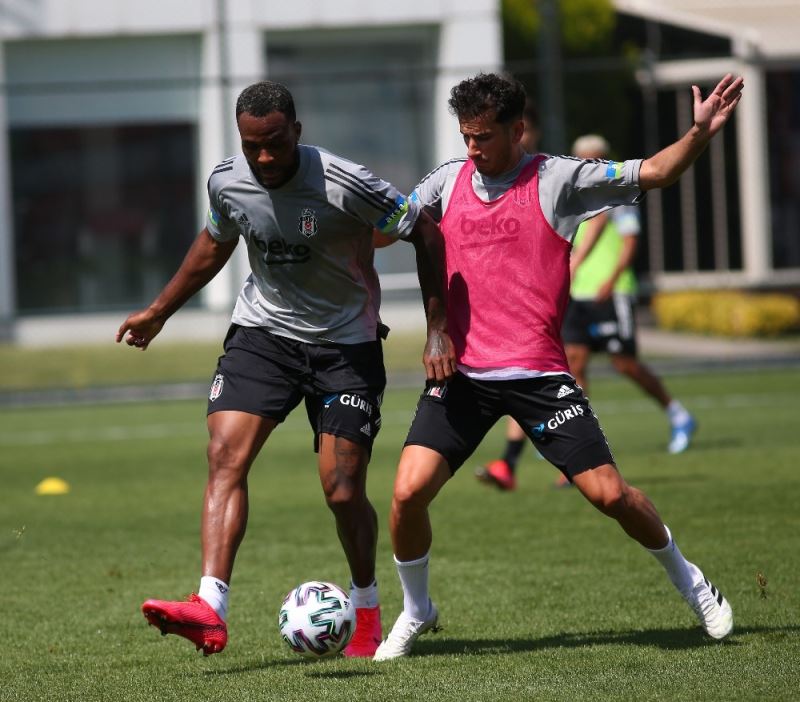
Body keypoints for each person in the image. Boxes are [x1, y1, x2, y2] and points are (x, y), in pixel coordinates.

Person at [373, 72, 741, 661]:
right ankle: (417, 609)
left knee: (611, 496)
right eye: (466, 136)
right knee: (406, 493)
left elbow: (655, 171)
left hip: (540, 376)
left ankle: (692, 582)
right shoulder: (446, 180)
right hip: (463, 376)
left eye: (484, 136)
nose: (473, 148)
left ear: (517, 130)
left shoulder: (559, 179)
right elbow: (386, 230)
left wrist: (698, 134)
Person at [116, 80, 456, 658]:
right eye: (253, 146)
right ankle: (210, 607)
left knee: (342, 490)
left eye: (276, 143)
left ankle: (366, 605)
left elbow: (423, 230)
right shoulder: (226, 181)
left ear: (297, 130)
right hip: (263, 336)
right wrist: (159, 311)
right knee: (225, 455)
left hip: (345, 347)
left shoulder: (345, 182)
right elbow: (215, 242)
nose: (266, 157)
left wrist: (437, 328)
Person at [477, 134, 697, 493]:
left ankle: (677, 413)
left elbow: (628, 241)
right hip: (576, 294)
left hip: (610, 291)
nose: (586, 162)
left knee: (624, 363)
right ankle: (571, 450)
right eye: (581, 156)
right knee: (573, 366)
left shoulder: (618, 195)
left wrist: (611, 277)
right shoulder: (571, 194)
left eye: (593, 156)